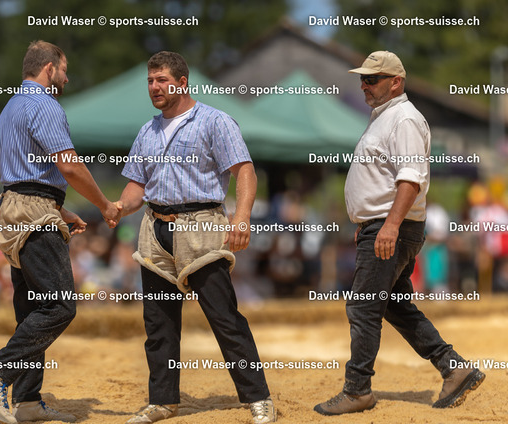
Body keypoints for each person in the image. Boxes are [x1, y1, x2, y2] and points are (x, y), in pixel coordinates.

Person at [314, 51, 485, 415]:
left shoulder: (404, 118)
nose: (364, 85)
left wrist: (389, 225)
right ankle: (454, 368)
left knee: (363, 306)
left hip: (392, 226)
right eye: (363, 79)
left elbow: (410, 178)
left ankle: (357, 390)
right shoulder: (385, 117)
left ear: (396, 82)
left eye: (372, 79)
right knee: (392, 304)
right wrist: (370, 222)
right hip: (383, 225)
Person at [0, 40, 120, 424]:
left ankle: (28, 400)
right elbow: (69, 167)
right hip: (34, 214)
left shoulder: (11, 107)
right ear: (49, 68)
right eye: (64, 70)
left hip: (15, 209)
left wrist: (60, 209)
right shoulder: (45, 104)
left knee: (32, 307)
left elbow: (23, 176)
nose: (66, 78)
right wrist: (104, 204)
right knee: (60, 304)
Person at [116, 51, 275, 424]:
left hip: (201, 225)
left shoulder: (215, 121)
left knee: (224, 317)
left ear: (182, 82)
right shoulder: (147, 131)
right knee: (158, 322)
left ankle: (258, 397)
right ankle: (163, 400)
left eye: (162, 80)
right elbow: (136, 188)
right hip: (154, 227)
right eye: (150, 81)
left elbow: (245, 171)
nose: (154, 87)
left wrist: (241, 218)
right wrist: (115, 208)